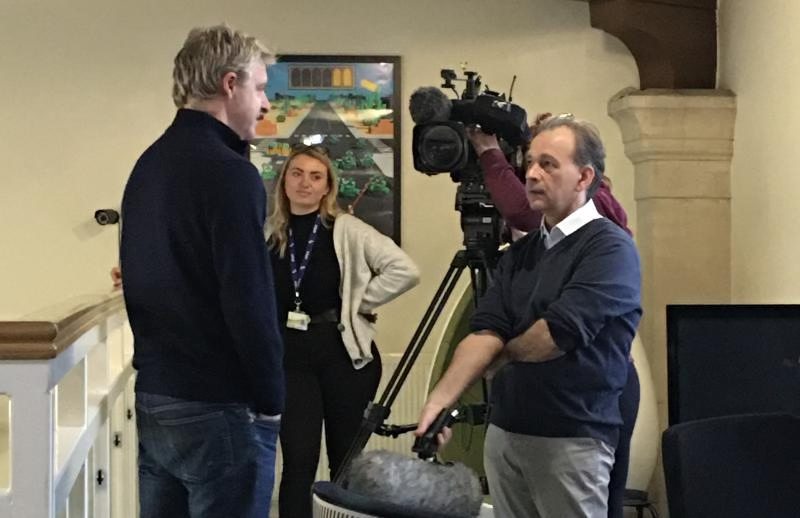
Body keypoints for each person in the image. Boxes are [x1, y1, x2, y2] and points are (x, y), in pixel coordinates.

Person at [417, 115, 642, 518]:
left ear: (584, 176)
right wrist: (441, 399)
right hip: (507, 433)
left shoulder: (610, 248)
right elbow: (486, 331)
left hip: (571, 437)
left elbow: (554, 335)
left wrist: (500, 358)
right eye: (531, 163)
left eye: (549, 164)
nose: (532, 174)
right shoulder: (521, 254)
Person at [119, 25, 284, 518]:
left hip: (157, 394)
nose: (266, 103)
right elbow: (247, 298)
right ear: (229, 84)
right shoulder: (231, 173)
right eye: (259, 87)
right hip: (219, 403)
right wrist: (272, 398)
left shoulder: (148, 165)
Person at [265, 144, 420, 518]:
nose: (305, 183)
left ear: (327, 187)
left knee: (346, 465)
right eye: (297, 174)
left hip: (344, 358)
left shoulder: (345, 228)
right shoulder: (268, 233)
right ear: (284, 182)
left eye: (315, 176)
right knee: (298, 463)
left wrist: (359, 303)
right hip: (290, 361)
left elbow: (405, 270)